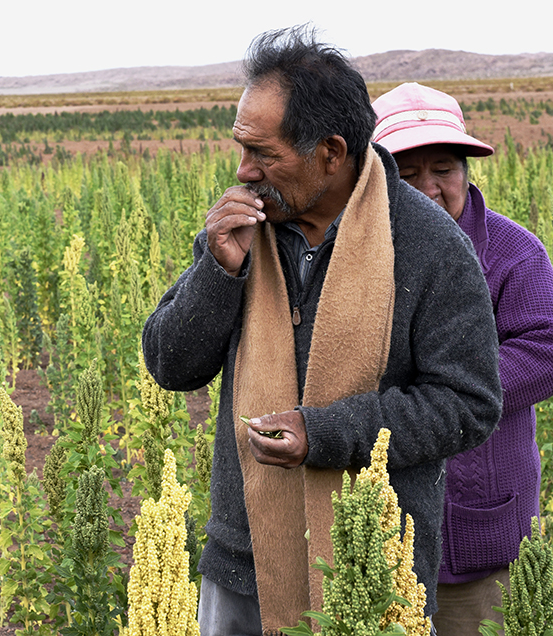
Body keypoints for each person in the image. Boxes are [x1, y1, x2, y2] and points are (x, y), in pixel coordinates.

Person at [142, 26, 503, 636]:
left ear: (331, 153)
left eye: (264, 153)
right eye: (241, 148)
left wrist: (326, 432)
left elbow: (468, 404)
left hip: (372, 575)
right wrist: (217, 270)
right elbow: (170, 365)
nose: (243, 169)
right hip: (243, 565)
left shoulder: (429, 247)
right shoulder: (244, 229)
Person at [372, 82, 553, 635]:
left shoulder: (512, 252)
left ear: (468, 171)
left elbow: (544, 352)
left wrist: (446, 393)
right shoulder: (359, 256)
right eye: (406, 173)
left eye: (443, 169)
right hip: (381, 528)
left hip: (479, 534)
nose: (428, 188)